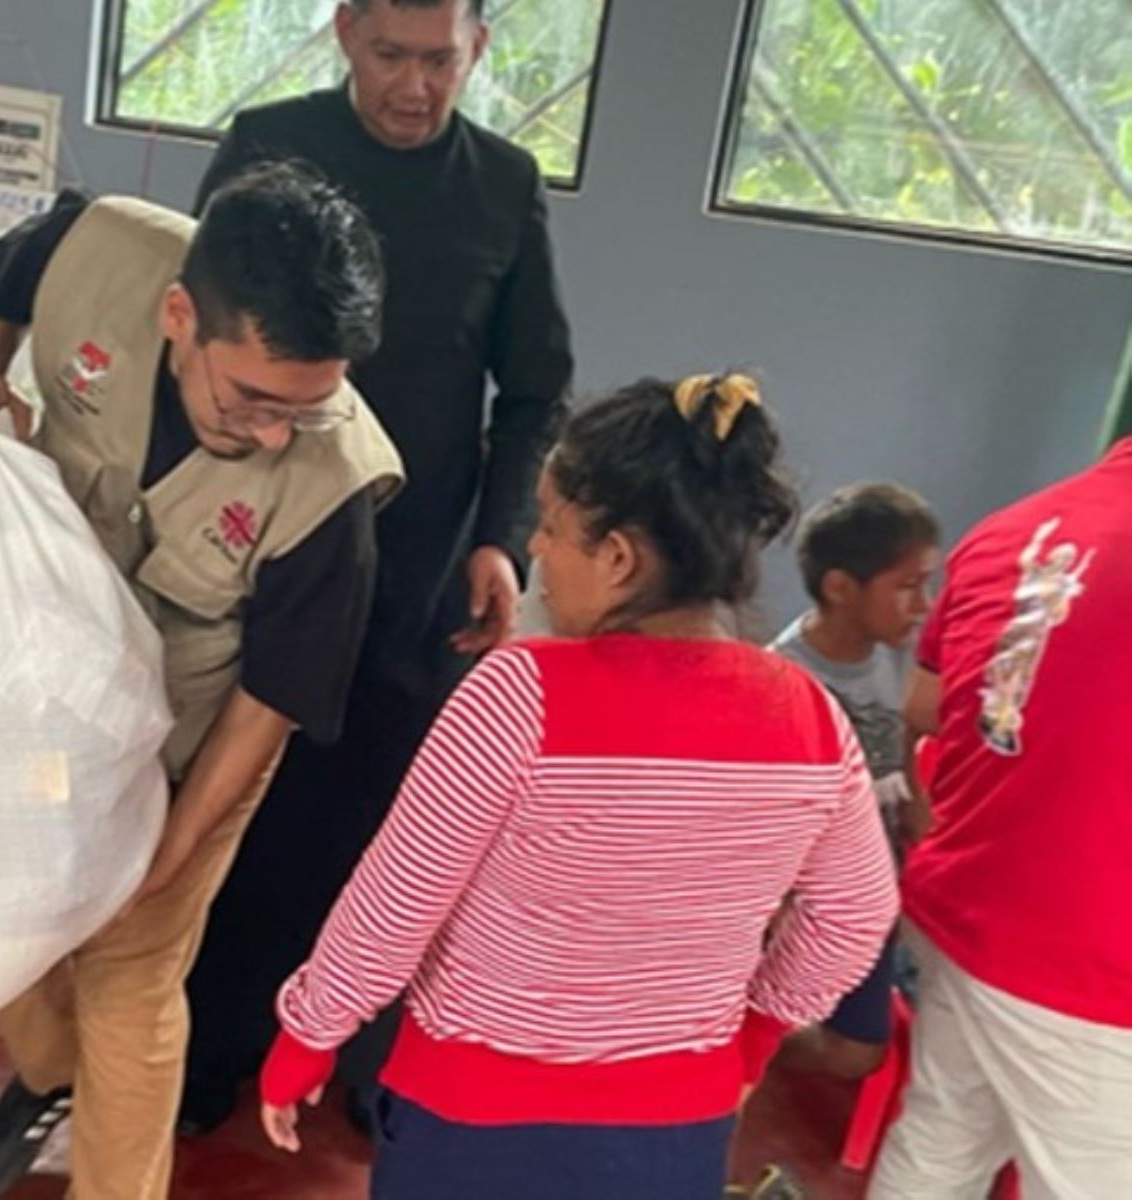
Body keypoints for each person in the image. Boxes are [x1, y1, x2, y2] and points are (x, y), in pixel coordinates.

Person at [257, 375, 898, 1198]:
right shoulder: (808, 716)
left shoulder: (518, 692)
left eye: (552, 529)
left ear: (619, 555)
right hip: (676, 1133)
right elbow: (857, 913)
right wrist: (756, 1030)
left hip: (473, 1126)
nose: (535, 551)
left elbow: (399, 897)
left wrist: (310, 1031)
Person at [0, 163, 403, 1200]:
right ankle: (47, 1078)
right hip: (34, 669)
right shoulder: (92, 246)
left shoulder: (335, 493)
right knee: (5, 914)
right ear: (182, 316)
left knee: (130, 981)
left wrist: (170, 854)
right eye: (251, 397)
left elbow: (269, 707)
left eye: (306, 407)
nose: (276, 433)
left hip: (184, 731)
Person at [181, 0, 574, 1128]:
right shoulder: (268, 143)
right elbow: (194, 336)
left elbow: (536, 386)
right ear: (346, 32)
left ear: (479, 49)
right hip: (261, 548)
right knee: (239, 808)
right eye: (392, 56)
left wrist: (503, 533)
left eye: (440, 61)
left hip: (423, 568)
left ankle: (361, 1062)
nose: (415, 86)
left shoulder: (502, 183)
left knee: (392, 827)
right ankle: (211, 1061)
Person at [870, 436, 1132, 1199]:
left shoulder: (1017, 524)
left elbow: (926, 705)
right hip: (1092, 964)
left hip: (971, 910)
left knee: (941, 1144)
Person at [768, 482, 941, 1078]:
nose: (923, 605)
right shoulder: (784, 677)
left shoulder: (891, 652)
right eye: (908, 586)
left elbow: (903, 737)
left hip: (871, 884)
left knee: (856, 1055)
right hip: (807, 890)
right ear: (841, 588)